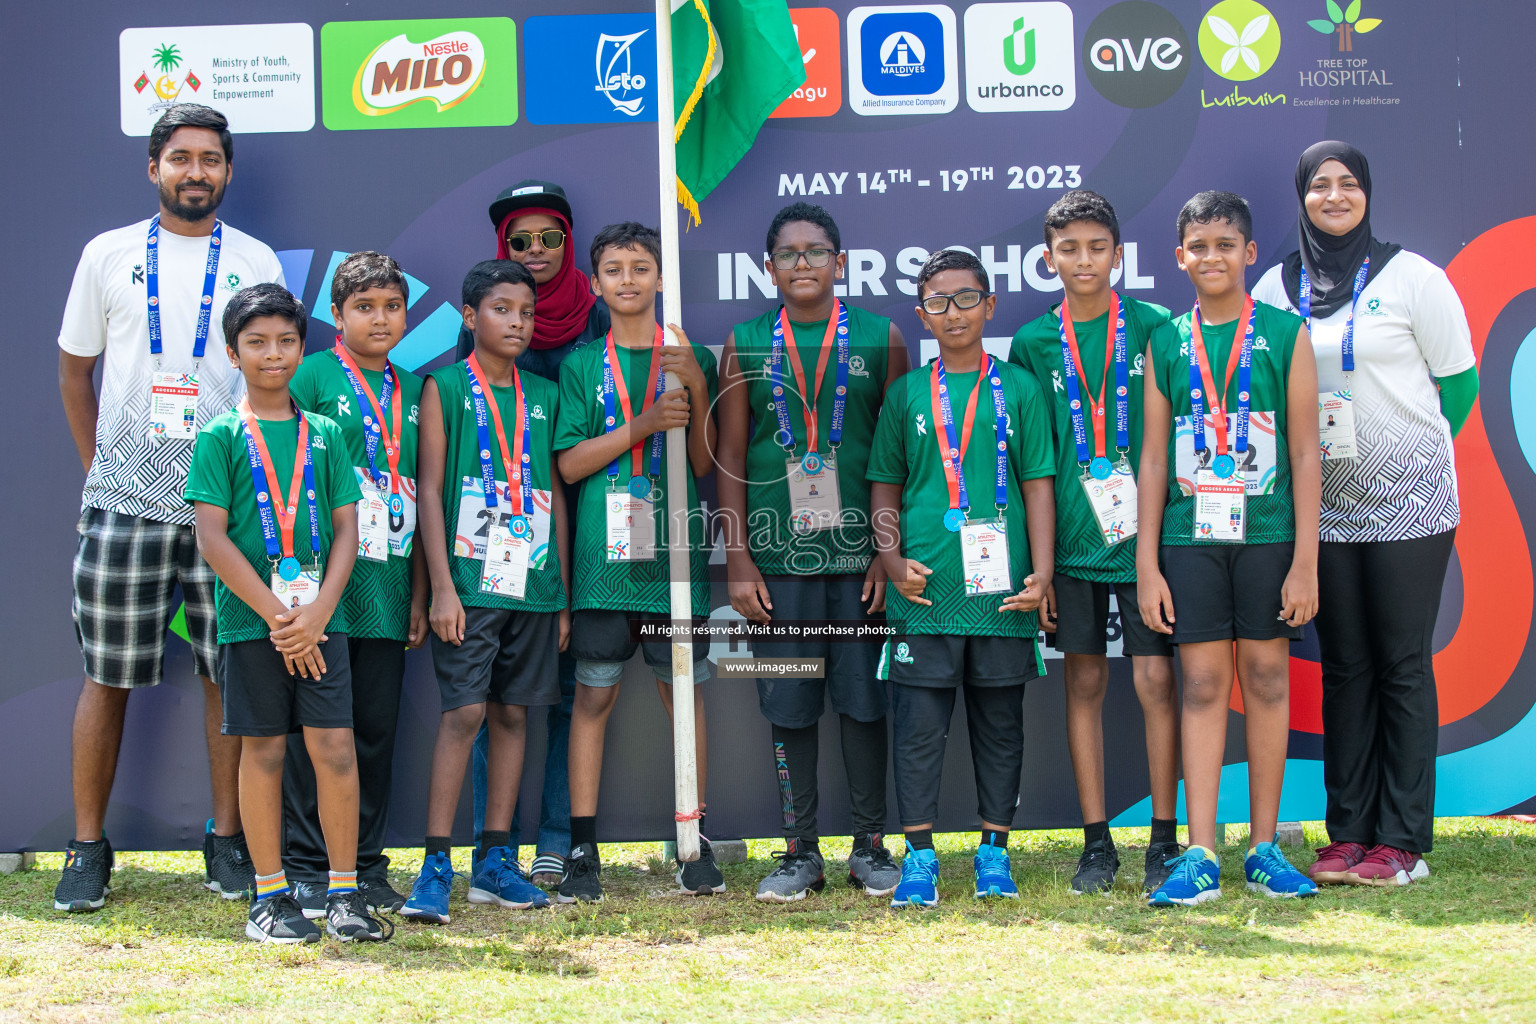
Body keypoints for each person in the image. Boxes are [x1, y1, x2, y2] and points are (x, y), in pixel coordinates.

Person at [54, 104, 285, 912]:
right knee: (105, 677)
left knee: (231, 675)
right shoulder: (108, 254)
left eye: (211, 159)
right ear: (153, 167)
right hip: (123, 505)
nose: (196, 172)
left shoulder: (254, 259)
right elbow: (74, 372)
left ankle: (227, 843)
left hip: (227, 503)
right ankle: (87, 848)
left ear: (227, 171)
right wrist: (103, 472)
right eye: (180, 158)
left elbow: (268, 372)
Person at [1252, 142, 1477, 887]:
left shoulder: (1415, 279)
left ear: (1369, 194)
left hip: (1410, 506)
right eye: (1321, 185)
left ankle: (1403, 842)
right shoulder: (1277, 290)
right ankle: (1348, 835)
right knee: (1345, 668)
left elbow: (1460, 388)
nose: (1336, 195)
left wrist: (1406, 455)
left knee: (1402, 667)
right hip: (1323, 512)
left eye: (1350, 183)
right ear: (1302, 198)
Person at [184, 283, 388, 943]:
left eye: (286, 341)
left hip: (324, 624)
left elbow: (349, 531)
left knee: (334, 748)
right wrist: (279, 617)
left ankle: (344, 893)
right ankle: (269, 899)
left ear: (304, 346)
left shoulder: (327, 433)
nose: (274, 354)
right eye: (257, 343)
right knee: (264, 750)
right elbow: (212, 538)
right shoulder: (218, 435)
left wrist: (319, 610)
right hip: (255, 624)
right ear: (232, 352)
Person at [717, 202, 908, 903]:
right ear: (768, 268)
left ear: (841, 262)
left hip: (860, 564)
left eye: (816, 251)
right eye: (789, 254)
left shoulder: (883, 338)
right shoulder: (743, 342)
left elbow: (900, 458)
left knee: (864, 703)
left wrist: (888, 555)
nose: (803, 263)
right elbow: (730, 456)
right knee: (790, 703)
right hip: (778, 564)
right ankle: (799, 852)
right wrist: (738, 560)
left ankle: (869, 846)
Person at [1137, 191, 1321, 906]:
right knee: (1206, 687)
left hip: (1270, 535)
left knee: (1269, 681)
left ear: (1249, 253)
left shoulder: (1284, 332)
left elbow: (1306, 453)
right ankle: (1202, 850)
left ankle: (1267, 846)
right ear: (1179, 258)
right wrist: (1149, 563)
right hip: (1191, 540)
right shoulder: (1165, 342)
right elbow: (1153, 462)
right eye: (1198, 246)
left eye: (1226, 244)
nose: (1212, 256)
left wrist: (1305, 560)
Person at [866, 249, 1056, 909]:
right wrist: (890, 560)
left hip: (1003, 594)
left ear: (990, 305)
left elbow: (1037, 485)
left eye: (966, 298)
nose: (954, 312)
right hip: (923, 593)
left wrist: (1044, 570)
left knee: (1000, 725)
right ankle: (919, 856)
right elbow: (884, 488)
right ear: (922, 315)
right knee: (918, 729)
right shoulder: (906, 394)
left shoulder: (1021, 391)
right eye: (939, 302)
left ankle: (994, 853)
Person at [1008, 190, 1181, 896]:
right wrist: (1039, 569)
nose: (1084, 261)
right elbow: (1031, 466)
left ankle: (1164, 841)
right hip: (1073, 548)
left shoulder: (1156, 326)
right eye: (1068, 249)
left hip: (1150, 544)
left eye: (1096, 247)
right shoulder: (1030, 343)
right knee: (1083, 681)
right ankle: (1096, 842)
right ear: (1048, 259)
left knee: (1154, 681)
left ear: (1118, 252)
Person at [554, 222, 721, 901]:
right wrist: (641, 426)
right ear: (596, 284)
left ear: (660, 278)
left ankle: (691, 837)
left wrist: (695, 391)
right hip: (602, 566)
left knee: (684, 694)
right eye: (614, 269)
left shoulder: (691, 355)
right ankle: (583, 849)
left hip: (674, 566)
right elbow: (568, 463)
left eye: (641, 266)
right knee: (592, 697)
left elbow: (705, 463)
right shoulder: (578, 364)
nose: (628, 279)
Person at [400, 260, 570, 923]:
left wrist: (559, 594)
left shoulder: (544, 394)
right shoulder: (442, 388)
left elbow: (553, 492)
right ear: (471, 317)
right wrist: (441, 587)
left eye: (526, 312)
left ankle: (495, 861)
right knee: (464, 715)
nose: (517, 323)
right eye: (502, 309)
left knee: (512, 714)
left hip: (533, 583)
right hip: (468, 586)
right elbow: (432, 492)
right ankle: (435, 863)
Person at [463, 181, 609, 886]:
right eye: (521, 241)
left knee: (562, 688)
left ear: (569, 240)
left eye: (550, 237)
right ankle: (494, 843)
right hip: (501, 536)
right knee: (496, 697)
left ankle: (556, 831)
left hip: (591, 528)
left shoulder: (601, 320)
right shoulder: (485, 328)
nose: (537, 252)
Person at [282, 252, 427, 919]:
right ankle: (308, 864)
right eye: (364, 307)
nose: (379, 318)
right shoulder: (311, 376)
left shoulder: (416, 389)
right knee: (318, 733)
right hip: (325, 594)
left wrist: (423, 592)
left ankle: (364, 863)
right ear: (335, 316)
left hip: (390, 589)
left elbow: (426, 496)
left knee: (374, 730)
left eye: (391, 306)